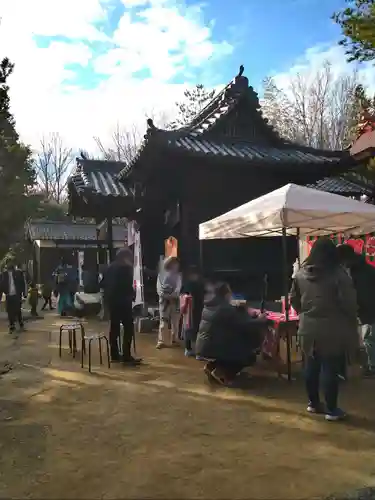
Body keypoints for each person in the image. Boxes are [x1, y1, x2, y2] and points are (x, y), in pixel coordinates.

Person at [290, 238, 358, 421]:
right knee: (330, 368)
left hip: (307, 327)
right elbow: (349, 303)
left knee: (311, 366)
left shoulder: (300, 274)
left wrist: (305, 313)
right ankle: (331, 409)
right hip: (332, 328)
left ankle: (313, 403)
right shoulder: (339, 275)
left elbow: (293, 300)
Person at [195, 282, 267, 385]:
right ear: (226, 294)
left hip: (203, 345)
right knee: (249, 355)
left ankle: (212, 366)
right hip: (215, 345)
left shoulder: (210, 304)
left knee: (230, 348)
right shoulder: (226, 308)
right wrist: (260, 319)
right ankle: (223, 373)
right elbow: (244, 324)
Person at [337, 243, 375, 377]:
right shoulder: (361, 268)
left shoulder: (359, 271)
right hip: (366, 310)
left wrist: (356, 309)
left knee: (369, 339)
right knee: (368, 339)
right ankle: (369, 365)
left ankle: (372, 367)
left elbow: (363, 295)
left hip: (369, 310)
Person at [102, 248, 141, 365]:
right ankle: (126, 355)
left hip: (111, 302)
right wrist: (132, 295)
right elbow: (126, 286)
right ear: (125, 257)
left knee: (114, 328)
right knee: (128, 328)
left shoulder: (109, 267)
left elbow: (103, 284)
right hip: (123, 302)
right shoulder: (125, 268)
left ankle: (114, 355)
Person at [156, 256, 182, 349]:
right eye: (174, 263)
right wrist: (166, 296)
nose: (176, 265)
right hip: (164, 302)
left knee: (175, 321)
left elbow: (178, 288)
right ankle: (161, 340)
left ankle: (175, 339)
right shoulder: (161, 275)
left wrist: (173, 295)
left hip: (175, 301)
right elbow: (159, 289)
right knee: (163, 321)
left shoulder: (178, 276)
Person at [180, 266, 205, 357]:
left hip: (188, 310)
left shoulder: (186, 283)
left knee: (188, 328)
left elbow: (181, 294)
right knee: (198, 330)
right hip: (197, 309)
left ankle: (188, 349)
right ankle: (197, 351)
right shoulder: (200, 283)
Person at [0, 260, 27, 333]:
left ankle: (21, 324)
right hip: (9, 295)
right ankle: (12, 325)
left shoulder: (18, 273)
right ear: (6, 265)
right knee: (9, 311)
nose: (9, 265)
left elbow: (22, 283)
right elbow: (1, 286)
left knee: (18, 310)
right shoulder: (4, 274)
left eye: (11, 263)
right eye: (8, 263)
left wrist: (24, 293)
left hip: (16, 295)